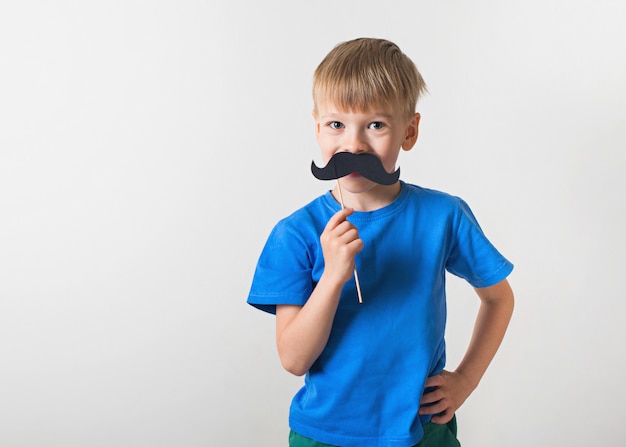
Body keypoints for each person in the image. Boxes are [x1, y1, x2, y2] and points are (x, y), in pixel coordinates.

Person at [247, 37, 514, 447]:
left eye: (375, 125)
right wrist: (333, 276)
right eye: (337, 124)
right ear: (317, 129)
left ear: (409, 131)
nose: (353, 145)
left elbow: (498, 298)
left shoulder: (444, 216)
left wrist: (465, 379)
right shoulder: (295, 234)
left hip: (423, 431)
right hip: (325, 434)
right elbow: (294, 359)